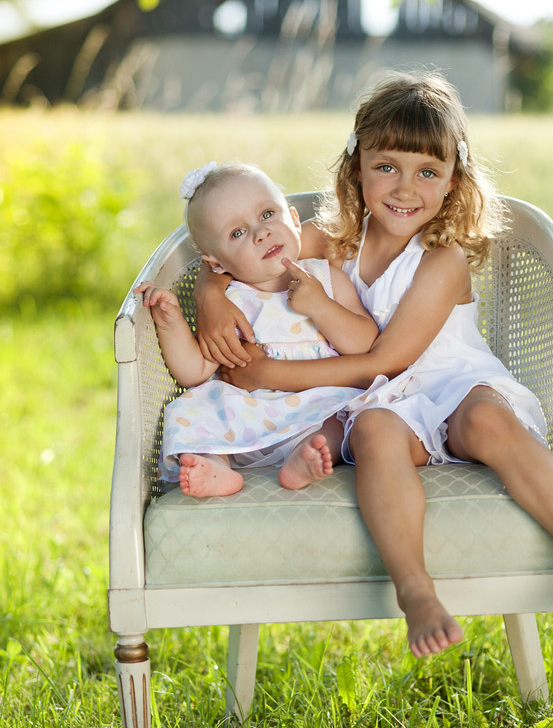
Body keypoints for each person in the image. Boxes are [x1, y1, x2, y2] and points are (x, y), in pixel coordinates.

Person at [194, 72, 553, 660]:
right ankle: (416, 591)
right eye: (387, 167)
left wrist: (270, 376)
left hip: (452, 387)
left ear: (453, 178)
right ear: (358, 167)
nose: (405, 189)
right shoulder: (337, 239)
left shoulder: (441, 259)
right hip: (378, 405)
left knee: (488, 423)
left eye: (428, 172)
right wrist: (208, 296)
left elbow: (382, 361)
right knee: (377, 430)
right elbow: (243, 251)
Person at [135, 161, 378, 497]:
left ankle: (303, 458)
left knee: (345, 416)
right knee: (190, 407)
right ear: (217, 264)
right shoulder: (231, 303)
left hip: (315, 408)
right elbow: (195, 372)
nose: (261, 233)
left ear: (294, 220)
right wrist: (170, 323)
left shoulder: (325, 278)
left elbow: (366, 343)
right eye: (237, 233)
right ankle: (218, 466)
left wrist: (322, 307)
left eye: (267, 215)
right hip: (247, 418)